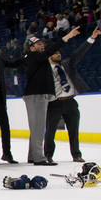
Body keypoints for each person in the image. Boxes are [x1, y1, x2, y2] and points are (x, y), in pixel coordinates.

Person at [22, 29, 78, 166]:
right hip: (37, 96)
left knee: (36, 128)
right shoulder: (36, 56)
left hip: (38, 96)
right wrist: (67, 37)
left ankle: (32, 156)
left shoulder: (32, 58)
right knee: (39, 127)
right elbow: (51, 50)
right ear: (32, 47)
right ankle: (40, 158)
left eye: (42, 44)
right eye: (39, 44)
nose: (42, 46)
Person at [44, 27, 98, 163]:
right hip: (54, 103)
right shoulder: (44, 70)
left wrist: (91, 38)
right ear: (49, 56)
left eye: (59, 53)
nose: (59, 55)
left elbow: (79, 53)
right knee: (50, 131)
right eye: (56, 53)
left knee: (73, 130)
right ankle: (48, 155)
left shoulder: (67, 64)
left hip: (70, 102)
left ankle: (76, 154)